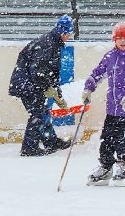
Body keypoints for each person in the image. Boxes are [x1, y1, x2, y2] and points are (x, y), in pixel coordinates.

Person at [84, 21, 125, 187]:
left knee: (116, 135)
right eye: (119, 38)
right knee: (106, 136)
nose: (122, 41)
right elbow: (98, 73)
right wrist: (89, 88)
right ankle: (106, 167)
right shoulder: (111, 56)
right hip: (113, 106)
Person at [8, 15, 75, 157]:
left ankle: (51, 142)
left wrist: (56, 91)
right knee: (37, 114)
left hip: (31, 83)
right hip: (27, 84)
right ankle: (29, 148)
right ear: (63, 33)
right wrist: (47, 87)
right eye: (69, 34)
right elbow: (37, 71)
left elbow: (50, 71)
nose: (69, 37)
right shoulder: (48, 44)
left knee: (43, 112)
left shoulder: (53, 43)